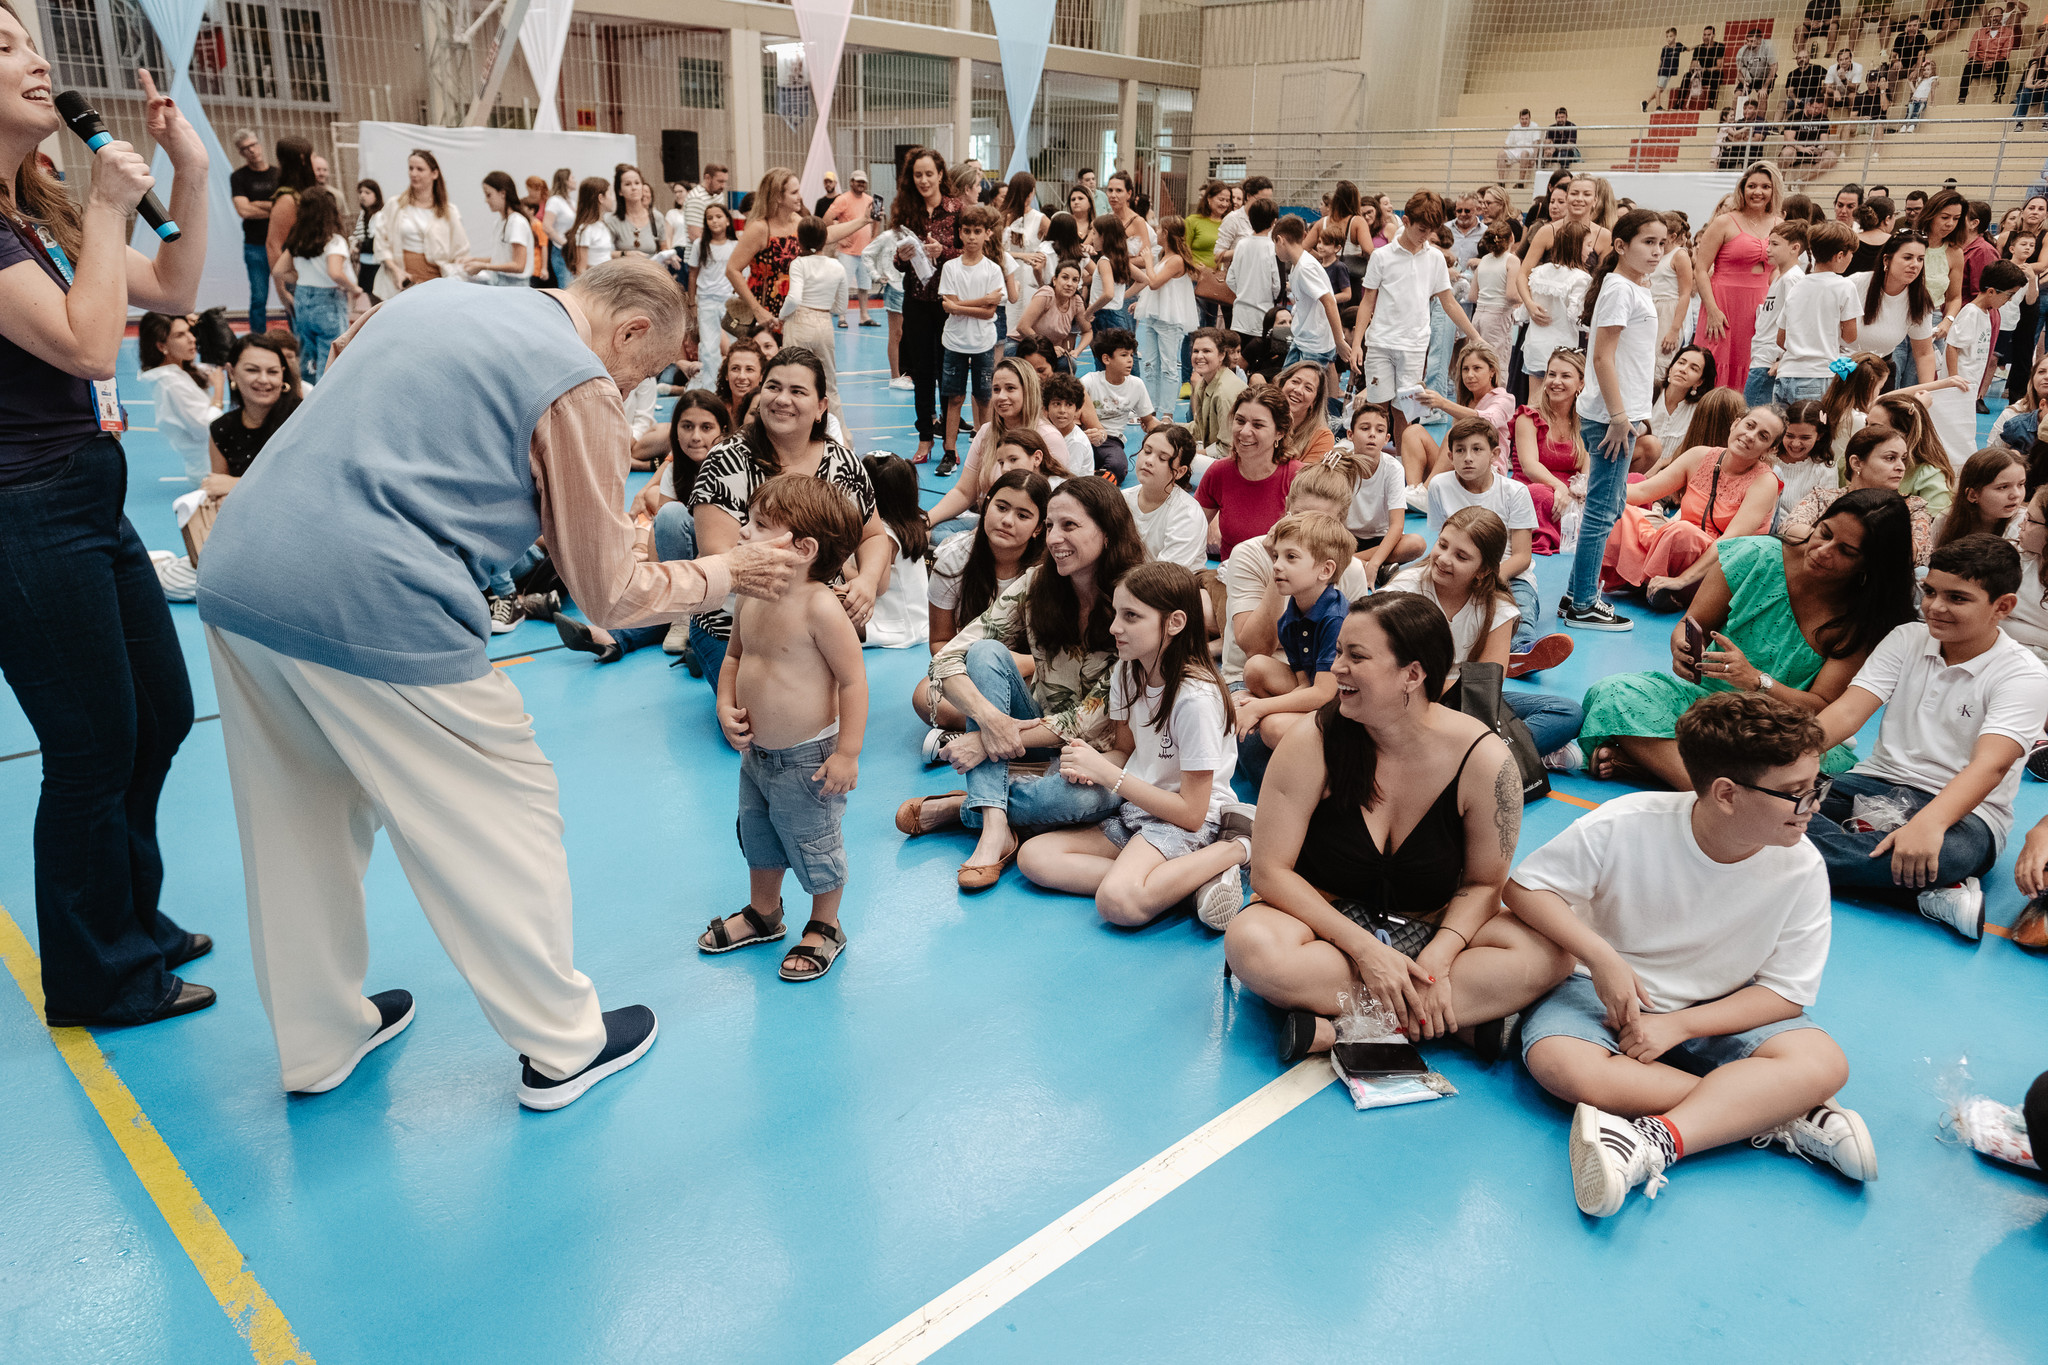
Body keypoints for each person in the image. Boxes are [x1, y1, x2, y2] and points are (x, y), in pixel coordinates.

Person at [197, 258, 800, 1102]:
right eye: (649, 371)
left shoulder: (437, 298)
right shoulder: (579, 380)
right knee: (505, 810)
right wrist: (726, 571)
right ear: (629, 330)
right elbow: (609, 593)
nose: (638, 390)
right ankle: (562, 1046)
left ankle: (318, 1039)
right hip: (376, 596)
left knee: (297, 818)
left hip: (240, 572)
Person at [0, 32, 213, 1027]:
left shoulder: (32, 207)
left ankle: (133, 921)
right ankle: (99, 976)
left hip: (85, 488)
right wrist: (103, 203)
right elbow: (92, 349)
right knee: (91, 747)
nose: (37, 61)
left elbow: (171, 291)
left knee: (160, 713)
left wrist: (191, 175)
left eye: (34, 44)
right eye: (5, 46)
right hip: (23, 509)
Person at [1512, 691, 1875, 1220]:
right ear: (1726, 793)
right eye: (1796, 793)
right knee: (1563, 1065)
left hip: (1719, 1004)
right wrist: (1602, 956)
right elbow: (1525, 889)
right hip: (1598, 991)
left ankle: (1658, 1140)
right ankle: (1780, 1113)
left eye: (1817, 786)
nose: (1815, 804)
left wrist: (1679, 1027)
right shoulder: (1626, 822)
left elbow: (1784, 993)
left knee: (1824, 1061)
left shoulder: (1801, 866)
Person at [1224, 592, 1560, 1062]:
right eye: (1338, 651)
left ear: (1413, 674)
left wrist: (1440, 961)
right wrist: (1367, 951)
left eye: (1355, 656)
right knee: (1252, 945)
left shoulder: (1485, 760)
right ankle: (1442, 1021)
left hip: (1430, 927)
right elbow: (1270, 873)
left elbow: (1486, 883)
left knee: (1552, 950)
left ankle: (1339, 1024)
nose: (1336, 667)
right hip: (1325, 928)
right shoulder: (1310, 742)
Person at [898, 479, 1146, 889]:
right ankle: (994, 827)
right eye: (1050, 526)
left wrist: (986, 740)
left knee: (1083, 800)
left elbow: (1088, 717)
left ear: (1106, 530)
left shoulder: (1134, 598)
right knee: (985, 653)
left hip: (1104, 755)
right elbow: (948, 656)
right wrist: (988, 719)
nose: (1054, 538)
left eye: (1069, 526)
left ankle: (967, 807)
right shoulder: (1038, 583)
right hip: (1033, 732)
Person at [1578, 492, 1917, 789]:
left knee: (1793, 762)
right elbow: (1691, 624)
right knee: (1614, 694)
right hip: (1703, 703)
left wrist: (1757, 681)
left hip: (1778, 729)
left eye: (1845, 550)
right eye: (1823, 533)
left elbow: (1823, 707)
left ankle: (1662, 771)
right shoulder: (1757, 555)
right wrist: (1681, 647)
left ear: (1870, 565)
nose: (1822, 550)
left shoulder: (1865, 618)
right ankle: (1723, 792)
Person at [1806, 535, 2048, 940]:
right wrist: (1783, 761)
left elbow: (1991, 765)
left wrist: (1931, 822)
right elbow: (1847, 713)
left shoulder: (2024, 675)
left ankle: (1775, 851)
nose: (1934, 606)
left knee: (1946, 855)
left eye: (1957, 598)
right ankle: (1925, 894)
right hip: (1873, 781)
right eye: (1930, 591)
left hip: (1967, 814)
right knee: (1764, 800)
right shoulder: (1907, 638)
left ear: (2002, 607)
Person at [1016, 562, 1253, 929]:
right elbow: (1125, 752)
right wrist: (1089, 764)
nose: (1114, 627)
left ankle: (1236, 846)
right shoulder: (1128, 670)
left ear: (1174, 623)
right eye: (1116, 613)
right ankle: (1180, 885)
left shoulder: (1196, 699)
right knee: (1035, 857)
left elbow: (1191, 812)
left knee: (1118, 903)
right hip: (1140, 808)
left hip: (1190, 820)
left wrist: (1107, 773)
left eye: (1131, 616)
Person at [703, 475, 866, 982]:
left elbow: (853, 682)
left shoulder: (820, 606)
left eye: (758, 526)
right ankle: (764, 912)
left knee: (815, 841)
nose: (743, 535)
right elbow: (734, 655)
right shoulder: (752, 593)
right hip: (757, 757)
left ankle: (825, 925)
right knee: (759, 836)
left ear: (802, 548)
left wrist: (847, 753)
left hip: (807, 760)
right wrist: (724, 705)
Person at [684, 345, 890, 685]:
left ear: (822, 407)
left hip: (820, 624)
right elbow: (720, 556)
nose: (782, 399)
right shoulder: (726, 460)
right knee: (759, 728)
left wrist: (866, 581)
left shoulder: (844, 463)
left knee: (822, 719)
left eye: (798, 391)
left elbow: (873, 535)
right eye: (774, 387)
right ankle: (704, 652)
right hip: (736, 626)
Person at [1385, 508, 1580, 758]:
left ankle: (1485, 760)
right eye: (1442, 545)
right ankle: (1510, 757)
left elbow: (1486, 690)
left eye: (1461, 556)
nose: (1444, 558)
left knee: (1566, 712)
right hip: (1409, 701)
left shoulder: (1497, 608)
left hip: (1464, 703)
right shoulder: (1404, 592)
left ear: (1484, 570)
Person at [1602, 404, 1787, 613]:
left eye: (1763, 436)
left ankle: (1658, 584)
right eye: (1749, 425)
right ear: (1736, 423)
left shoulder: (1765, 482)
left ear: (1770, 449)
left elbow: (1731, 541)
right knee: (1620, 511)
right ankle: (1649, 582)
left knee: (1682, 532)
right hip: (1678, 545)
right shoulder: (1700, 455)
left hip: (1721, 565)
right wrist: (1599, 493)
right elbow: (1644, 491)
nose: (1750, 436)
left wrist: (1682, 580)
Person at [917, 469, 1050, 735]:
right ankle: (1003, 729)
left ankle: (976, 733)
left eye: (1023, 515)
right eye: (1001, 507)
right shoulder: (955, 559)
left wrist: (1008, 662)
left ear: (1038, 528)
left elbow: (1057, 656)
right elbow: (940, 643)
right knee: (925, 698)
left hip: (1031, 673)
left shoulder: (1047, 570)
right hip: (969, 667)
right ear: (986, 505)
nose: (1007, 521)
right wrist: (978, 664)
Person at [1351, 192, 1487, 425]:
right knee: (1376, 413)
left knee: (1405, 413)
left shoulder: (1434, 258)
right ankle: (1370, 461)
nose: (1425, 236)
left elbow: (1449, 302)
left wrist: (1474, 336)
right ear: (1406, 222)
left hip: (1414, 347)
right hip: (1380, 343)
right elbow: (1367, 301)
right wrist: (1356, 344)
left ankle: (1405, 461)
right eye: (1421, 229)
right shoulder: (1381, 257)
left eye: (1430, 231)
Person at [1235, 510, 1352, 750]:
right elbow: (1304, 683)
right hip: (1320, 692)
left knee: (1273, 726)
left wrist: (1260, 708)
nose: (1276, 565)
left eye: (1291, 557)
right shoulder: (1291, 617)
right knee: (1256, 667)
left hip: (1346, 704)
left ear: (1325, 570)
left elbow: (1323, 694)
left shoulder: (1336, 619)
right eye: (1276, 556)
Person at [890, 148, 965, 466]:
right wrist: (902, 257)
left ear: (939, 175)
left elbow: (969, 251)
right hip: (917, 301)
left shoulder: (956, 209)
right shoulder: (906, 212)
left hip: (949, 302)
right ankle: (924, 438)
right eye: (917, 174)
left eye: (929, 174)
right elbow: (896, 260)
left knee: (949, 371)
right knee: (922, 373)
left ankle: (949, 443)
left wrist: (943, 250)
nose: (923, 180)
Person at [1693, 163, 1784, 394]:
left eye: (1765, 186)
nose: (1758, 192)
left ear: (1774, 191)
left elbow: (1777, 269)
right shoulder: (1724, 222)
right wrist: (1712, 310)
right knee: (1714, 363)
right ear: (1742, 189)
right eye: (1752, 186)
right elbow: (1701, 269)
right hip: (1722, 302)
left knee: (1751, 361)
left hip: (1759, 306)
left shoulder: (1780, 225)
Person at [937, 202, 1008, 465]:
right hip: (955, 341)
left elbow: (990, 313)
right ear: (960, 233)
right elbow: (956, 305)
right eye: (966, 231)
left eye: (977, 231)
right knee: (954, 397)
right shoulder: (951, 268)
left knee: (984, 397)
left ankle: (987, 448)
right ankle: (949, 449)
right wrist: (977, 302)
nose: (971, 237)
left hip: (982, 342)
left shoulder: (992, 270)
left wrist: (957, 306)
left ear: (987, 233)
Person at [1198, 387, 1299, 560]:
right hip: (1230, 578)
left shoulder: (1298, 478)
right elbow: (1191, 531)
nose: (1244, 432)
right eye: (1240, 421)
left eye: (1257, 425)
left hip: (1282, 580)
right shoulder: (1219, 472)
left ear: (1280, 433)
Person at [204, 332, 302, 501]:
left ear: (282, 374)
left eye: (272, 372)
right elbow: (218, 491)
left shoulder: (300, 419)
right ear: (232, 372)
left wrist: (236, 484)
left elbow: (307, 485)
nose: (264, 379)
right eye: (252, 370)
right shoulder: (222, 429)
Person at [1773, 221, 1861, 403]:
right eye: (1851, 254)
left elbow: (1781, 339)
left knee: (1783, 430)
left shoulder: (1797, 286)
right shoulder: (1844, 286)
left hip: (1785, 375)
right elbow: (1851, 336)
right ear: (1840, 255)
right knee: (1814, 431)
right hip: (1819, 375)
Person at [1512, 350, 1588, 554]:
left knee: (1631, 482)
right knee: (1540, 496)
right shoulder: (1528, 416)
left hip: (1572, 492)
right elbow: (1529, 466)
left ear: (1581, 383)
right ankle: (1575, 532)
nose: (1556, 381)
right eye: (1551, 374)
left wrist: (1581, 489)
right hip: (1538, 486)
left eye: (1565, 376)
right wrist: (1559, 488)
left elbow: (1587, 465)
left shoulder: (1586, 420)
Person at [777, 216, 849, 420]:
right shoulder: (837, 266)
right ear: (825, 239)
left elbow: (794, 298)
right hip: (824, 323)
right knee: (829, 384)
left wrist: (782, 316)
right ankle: (840, 439)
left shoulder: (799, 264)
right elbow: (841, 306)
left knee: (793, 380)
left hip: (799, 321)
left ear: (798, 239)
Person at [138, 312, 223, 483]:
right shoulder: (171, 384)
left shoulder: (181, 372)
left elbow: (219, 359)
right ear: (162, 346)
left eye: (190, 331)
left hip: (214, 464)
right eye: (180, 335)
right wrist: (218, 394)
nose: (192, 339)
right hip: (209, 470)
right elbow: (206, 429)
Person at [372, 149, 468, 295]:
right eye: (411, 168)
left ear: (434, 174)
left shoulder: (449, 212)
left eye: (420, 169)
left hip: (436, 285)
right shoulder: (395, 205)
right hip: (400, 284)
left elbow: (460, 251)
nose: (413, 173)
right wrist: (396, 271)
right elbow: (381, 244)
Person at [1135, 215, 1200, 422]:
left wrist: (1147, 261)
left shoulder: (1176, 260)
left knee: (1169, 366)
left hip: (1169, 320)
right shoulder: (1164, 256)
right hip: (1155, 316)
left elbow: (1154, 282)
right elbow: (1156, 288)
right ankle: (1151, 408)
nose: (1156, 232)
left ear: (1167, 233)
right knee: (1151, 364)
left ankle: (1167, 412)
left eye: (1159, 229)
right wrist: (1141, 301)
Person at [1124, 426, 1207, 572]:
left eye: (1162, 458)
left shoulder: (1187, 515)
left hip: (1168, 589)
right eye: (1147, 451)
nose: (1149, 461)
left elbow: (1163, 577)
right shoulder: (1122, 499)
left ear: (1180, 472)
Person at [1633, 345, 1715, 474]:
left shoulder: (1699, 411)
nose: (1683, 370)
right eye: (1681, 363)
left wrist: (1661, 464)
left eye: (1693, 368)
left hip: (1670, 476)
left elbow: (1693, 452)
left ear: (1699, 382)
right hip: (1632, 469)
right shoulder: (1649, 393)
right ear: (1671, 369)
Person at [229, 128, 279, 332]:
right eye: (245, 148)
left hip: (280, 245)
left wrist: (257, 203)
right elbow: (244, 210)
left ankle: (297, 340)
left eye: (253, 145)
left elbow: (288, 209)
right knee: (259, 298)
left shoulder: (278, 174)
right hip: (255, 246)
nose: (252, 150)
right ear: (241, 153)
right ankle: (258, 340)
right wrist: (273, 207)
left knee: (291, 294)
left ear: (260, 144)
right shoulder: (239, 177)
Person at [1935, 447, 2028, 550]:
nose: (2016, 494)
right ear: (1973, 495)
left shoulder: (2023, 526)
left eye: (2021, 484)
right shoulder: (1945, 520)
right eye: (2003, 487)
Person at [1225, 198, 1280, 343]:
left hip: (1240, 314)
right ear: (1274, 222)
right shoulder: (1272, 247)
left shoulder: (1241, 244)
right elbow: (1277, 285)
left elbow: (1230, 279)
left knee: (1238, 357)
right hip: (1263, 314)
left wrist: (1243, 292)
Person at [1963, 8, 2019, 102]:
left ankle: (1998, 96)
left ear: (2001, 17)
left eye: (1996, 16)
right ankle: (1962, 98)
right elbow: (1972, 54)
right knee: (1969, 66)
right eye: (1991, 16)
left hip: (1996, 64)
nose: (1993, 19)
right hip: (1980, 63)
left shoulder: (2008, 32)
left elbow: (2005, 54)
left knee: (2004, 65)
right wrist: (1985, 61)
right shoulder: (1979, 32)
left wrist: (1991, 62)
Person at [1499, 109, 1543, 187]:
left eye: (1526, 119)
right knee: (1501, 153)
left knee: (1524, 153)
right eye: (1522, 119)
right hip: (1516, 150)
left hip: (1528, 151)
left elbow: (1536, 143)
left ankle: (1520, 182)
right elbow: (1507, 144)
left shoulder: (1535, 126)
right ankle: (1501, 182)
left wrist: (1534, 159)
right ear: (1519, 119)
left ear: (1530, 118)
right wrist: (1503, 150)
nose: (1524, 121)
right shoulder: (1515, 127)